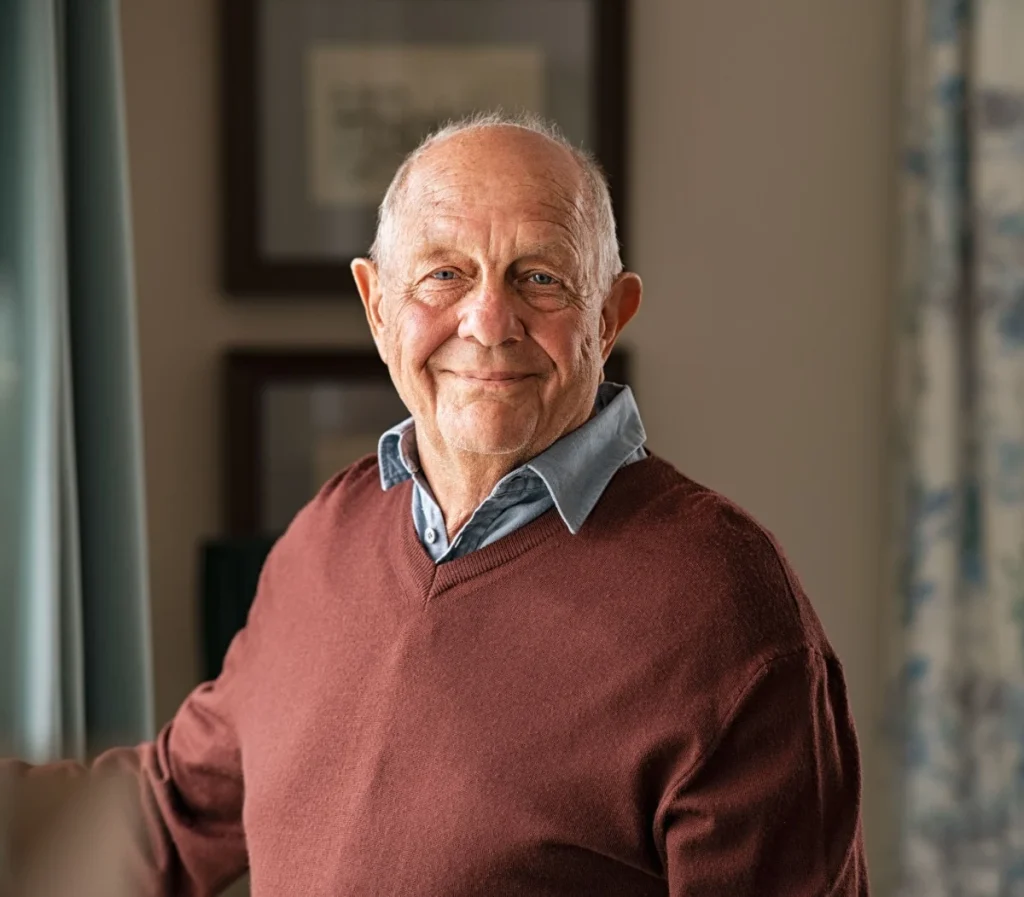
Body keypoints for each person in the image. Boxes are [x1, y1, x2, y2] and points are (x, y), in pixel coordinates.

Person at [0, 112, 869, 896]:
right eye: (444, 274)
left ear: (610, 316)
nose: (488, 321)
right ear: (377, 307)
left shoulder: (728, 607)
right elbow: (168, 810)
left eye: (539, 278)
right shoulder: (326, 537)